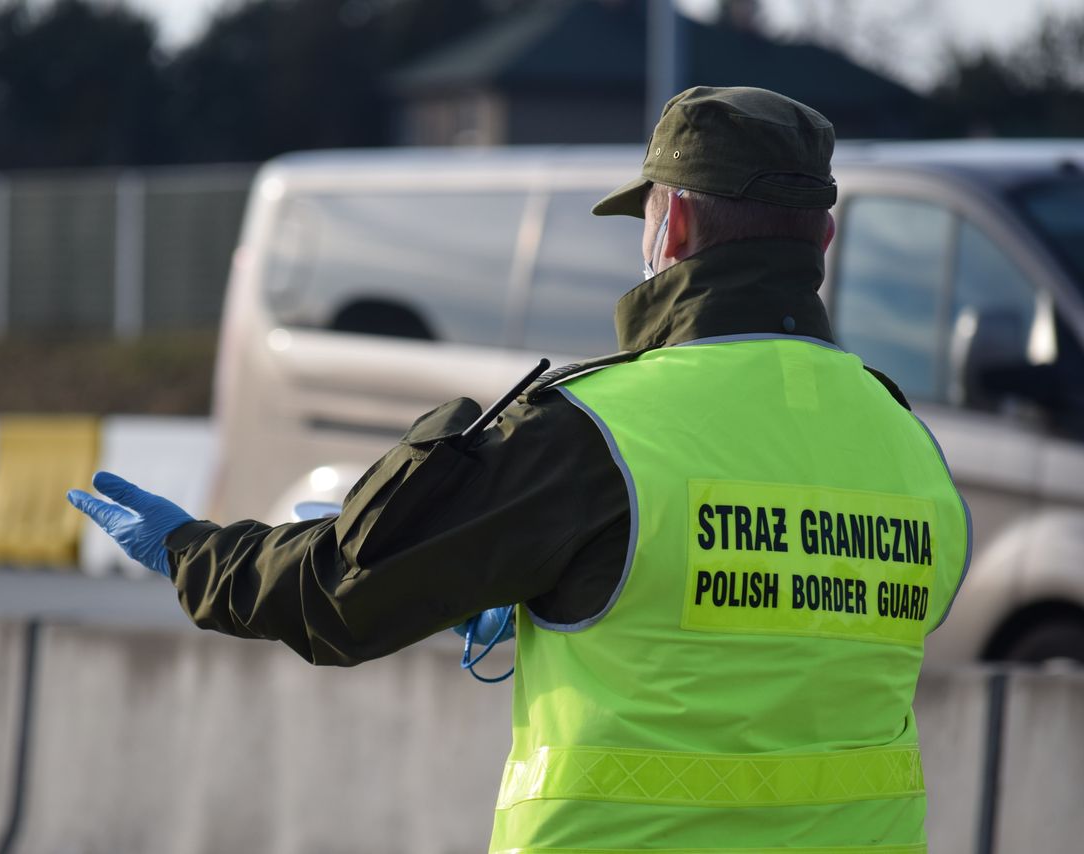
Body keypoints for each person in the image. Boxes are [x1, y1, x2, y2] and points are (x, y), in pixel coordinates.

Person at [69, 86, 970, 853]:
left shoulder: (595, 433)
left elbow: (343, 595)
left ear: (676, 222)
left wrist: (194, 551)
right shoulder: (908, 446)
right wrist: (580, 584)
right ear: (824, 240)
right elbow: (797, 627)